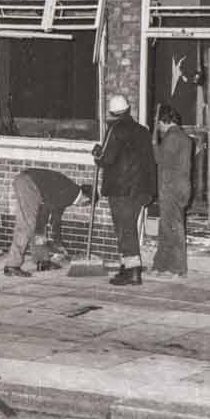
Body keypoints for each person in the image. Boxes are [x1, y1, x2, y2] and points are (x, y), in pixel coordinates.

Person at [92, 94, 156, 286]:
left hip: (121, 190)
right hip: (142, 190)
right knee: (129, 228)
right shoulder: (144, 131)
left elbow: (106, 159)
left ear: (112, 113)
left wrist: (97, 154)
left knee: (124, 230)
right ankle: (125, 268)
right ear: (129, 110)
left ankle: (133, 272)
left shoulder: (114, 129)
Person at [4, 169, 92, 277]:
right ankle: (12, 266)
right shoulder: (70, 194)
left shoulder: (71, 191)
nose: (82, 206)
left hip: (29, 183)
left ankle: (42, 261)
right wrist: (58, 243)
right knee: (27, 225)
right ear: (86, 198)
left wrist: (48, 231)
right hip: (29, 184)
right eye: (87, 204)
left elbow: (50, 211)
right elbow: (55, 220)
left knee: (38, 228)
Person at [150, 105, 193, 279]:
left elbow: (160, 159)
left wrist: (154, 144)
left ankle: (178, 268)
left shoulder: (171, 137)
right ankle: (161, 264)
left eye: (159, 123)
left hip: (170, 187)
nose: (158, 127)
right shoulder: (185, 138)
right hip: (182, 186)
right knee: (167, 226)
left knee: (173, 228)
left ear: (164, 121)